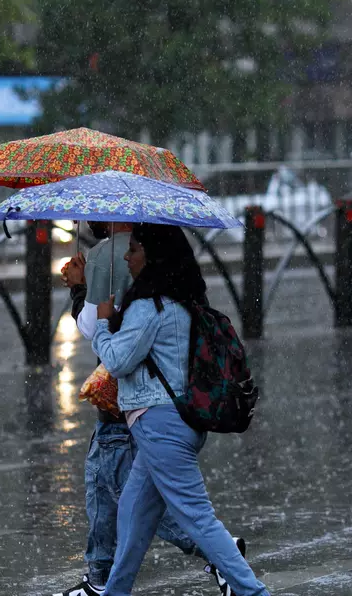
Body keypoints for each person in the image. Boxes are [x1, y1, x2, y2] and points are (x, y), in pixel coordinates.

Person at [54, 221, 226, 596]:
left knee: (131, 495)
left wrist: (81, 289)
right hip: (147, 400)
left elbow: (102, 334)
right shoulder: (165, 264)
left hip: (136, 400)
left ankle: (221, 557)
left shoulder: (115, 260)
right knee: (107, 485)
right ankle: (102, 578)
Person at [92, 223, 265, 596]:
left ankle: (255, 593)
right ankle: (115, 592)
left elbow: (119, 361)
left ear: (153, 256)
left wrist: (103, 325)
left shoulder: (148, 305)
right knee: (134, 514)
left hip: (160, 424)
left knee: (198, 519)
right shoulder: (180, 301)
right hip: (175, 421)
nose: (127, 256)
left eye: (134, 249)